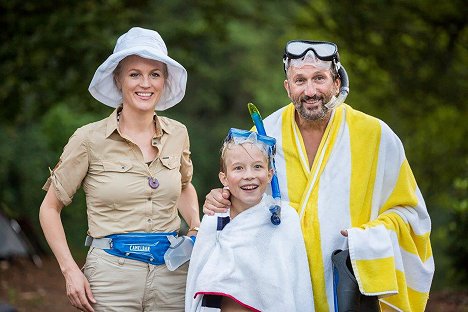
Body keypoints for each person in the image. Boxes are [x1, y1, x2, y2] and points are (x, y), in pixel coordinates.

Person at [204, 40, 434, 311]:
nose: (310, 91)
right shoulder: (263, 135)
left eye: (319, 79)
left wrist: (368, 238)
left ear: (336, 83)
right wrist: (220, 199)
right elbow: (243, 201)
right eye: (300, 80)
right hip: (280, 288)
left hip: (348, 290)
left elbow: (411, 215)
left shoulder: (377, 136)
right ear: (287, 88)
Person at [39, 27, 200, 312]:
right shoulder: (88, 139)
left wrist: (196, 226)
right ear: (118, 79)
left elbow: (184, 186)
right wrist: (69, 270)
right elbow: (49, 208)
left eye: (155, 74)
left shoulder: (179, 134)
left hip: (173, 275)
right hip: (111, 277)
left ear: (164, 81)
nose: (145, 83)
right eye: (134, 73)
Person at [186, 128, 314, 311]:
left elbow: (296, 284)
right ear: (224, 178)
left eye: (257, 167)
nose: (249, 175)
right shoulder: (214, 220)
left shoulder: (284, 218)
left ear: (270, 174)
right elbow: (197, 279)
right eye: (238, 168)